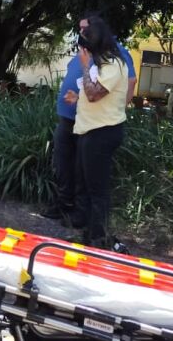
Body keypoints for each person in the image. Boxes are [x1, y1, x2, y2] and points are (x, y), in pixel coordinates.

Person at [41, 13, 136, 223]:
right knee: (67, 165)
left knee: (92, 181)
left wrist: (116, 109)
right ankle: (66, 206)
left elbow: (118, 86)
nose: (81, 34)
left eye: (85, 30)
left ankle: (91, 229)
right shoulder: (88, 53)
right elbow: (90, 87)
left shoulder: (114, 57)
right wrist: (77, 96)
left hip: (99, 126)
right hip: (75, 120)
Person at [69, 19, 129, 248]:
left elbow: (94, 94)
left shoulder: (114, 64)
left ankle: (98, 239)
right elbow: (90, 94)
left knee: (97, 190)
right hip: (89, 130)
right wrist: (77, 97)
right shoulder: (101, 64)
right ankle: (87, 234)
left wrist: (84, 66)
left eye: (85, 48)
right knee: (84, 185)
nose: (83, 52)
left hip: (102, 133)